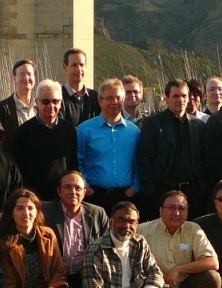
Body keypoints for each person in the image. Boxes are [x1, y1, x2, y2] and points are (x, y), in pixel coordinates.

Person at [139, 190, 222, 288]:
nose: (176, 213)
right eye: (171, 208)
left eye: (182, 208)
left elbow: (213, 262)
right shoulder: (143, 231)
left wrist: (178, 269)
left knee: (212, 277)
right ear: (161, 210)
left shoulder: (193, 229)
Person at [41, 171, 109, 288]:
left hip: (85, 275)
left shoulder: (97, 213)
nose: (73, 192)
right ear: (58, 191)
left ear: (84, 192)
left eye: (78, 188)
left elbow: (107, 248)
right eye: (67, 187)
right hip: (55, 276)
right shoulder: (45, 211)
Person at [137, 80, 206, 220]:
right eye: (176, 96)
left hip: (192, 193)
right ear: (167, 98)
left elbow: (203, 159)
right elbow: (145, 159)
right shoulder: (153, 124)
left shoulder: (198, 125)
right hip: (162, 191)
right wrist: (150, 191)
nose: (180, 100)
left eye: (184, 96)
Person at [77, 78, 140, 214]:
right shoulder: (84, 130)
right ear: (100, 101)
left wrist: (135, 187)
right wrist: (86, 187)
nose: (114, 102)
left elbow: (138, 162)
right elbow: (77, 161)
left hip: (125, 196)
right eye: (109, 98)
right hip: (94, 195)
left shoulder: (134, 131)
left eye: (118, 98)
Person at [11, 80, 79, 201]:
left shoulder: (69, 130)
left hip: (63, 198)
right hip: (35, 199)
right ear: (37, 102)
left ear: (61, 103)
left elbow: (73, 163)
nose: (51, 106)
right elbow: (18, 170)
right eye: (46, 101)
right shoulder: (24, 132)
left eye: (55, 101)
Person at [0, 58, 37, 139]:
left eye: (29, 74)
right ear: (14, 79)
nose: (26, 78)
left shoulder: (41, 107)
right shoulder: (0, 109)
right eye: (22, 74)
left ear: (35, 78)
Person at [59, 48, 100, 126]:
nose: (78, 69)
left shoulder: (95, 97)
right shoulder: (57, 97)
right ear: (65, 67)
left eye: (81, 65)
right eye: (74, 65)